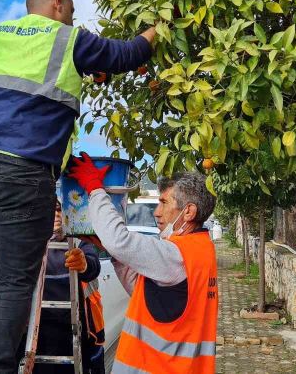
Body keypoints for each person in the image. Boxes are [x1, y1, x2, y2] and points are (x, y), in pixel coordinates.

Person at [0, 0, 155, 374]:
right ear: (59, 4)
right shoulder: (68, 38)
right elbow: (129, 53)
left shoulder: (0, 37)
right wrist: (162, 25)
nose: (74, 22)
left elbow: (29, 89)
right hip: (21, 172)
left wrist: (86, 69)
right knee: (14, 282)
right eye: (73, 15)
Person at [68, 155, 219, 374]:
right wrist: (115, 253)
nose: (157, 212)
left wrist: (94, 187)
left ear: (189, 211)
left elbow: (120, 240)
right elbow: (148, 294)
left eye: (164, 203)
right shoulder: (200, 249)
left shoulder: (177, 254)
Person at [25, 199, 105, 374]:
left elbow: (92, 264)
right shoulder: (28, 241)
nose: (56, 216)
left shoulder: (79, 238)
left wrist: (83, 263)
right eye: (50, 210)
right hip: (38, 329)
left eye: (60, 211)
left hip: (75, 328)